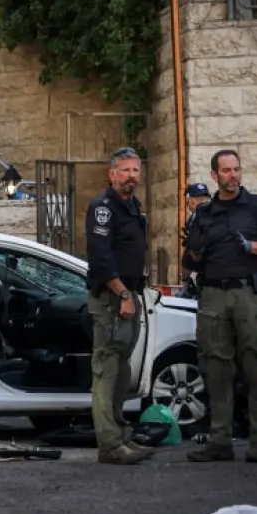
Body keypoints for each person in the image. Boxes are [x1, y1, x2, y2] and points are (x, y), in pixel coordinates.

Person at [182, 149, 257, 463]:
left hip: (248, 293)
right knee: (216, 369)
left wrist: (253, 247)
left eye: (236, 169)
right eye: (226, 171)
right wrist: (196, 252)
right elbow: (189, 261)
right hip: (214, 294)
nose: (232, 175)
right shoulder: (203, 213)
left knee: (256, 367)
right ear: (214, 176)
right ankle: (220, 441)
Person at [84, 146, 153, 465]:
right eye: (124, 171)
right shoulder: (104, 207)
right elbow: (100, 259)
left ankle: (121, 435)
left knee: (121, 371)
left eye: (135, 171)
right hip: (113, 298)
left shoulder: (133, 206)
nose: (131, 176)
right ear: (111, 174)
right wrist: (123, 294)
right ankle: (109, 444)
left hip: (129, 295)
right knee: (107, 370)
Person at [177, 183, 212, 299]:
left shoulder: (197, 218)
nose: (203, 201)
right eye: (199, 199)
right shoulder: (194, 219)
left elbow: (191, 253)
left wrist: (185, 282)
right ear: (190, 200)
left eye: (205, 198)